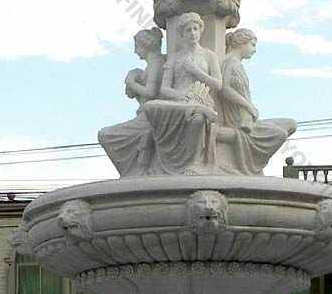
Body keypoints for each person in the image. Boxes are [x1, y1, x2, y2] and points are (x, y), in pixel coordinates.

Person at [143, 12, 221, 174]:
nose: (193, 33)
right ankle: (195, 109)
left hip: (201, 99)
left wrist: (196, 72)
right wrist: (180, 96)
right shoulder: (174, 58)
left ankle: (194, 164)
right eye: (188, 30)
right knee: (150, 106)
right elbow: (164, 89)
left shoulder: (209, 56)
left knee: (198, 120)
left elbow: (217, 85)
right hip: (177, 102)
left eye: (195, 29)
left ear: (200, 31)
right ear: (182, 35)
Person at [216, 28, 296, 175]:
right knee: (279, 134)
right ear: (241, 43)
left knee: (291, 124)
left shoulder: (237, 64)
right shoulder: (229, 62)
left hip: (248, 118)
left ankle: (253, 161)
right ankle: (254, 166)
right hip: (238, 121)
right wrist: (248, 106)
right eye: (252, 45)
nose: (254, 50)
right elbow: (225, 89)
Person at [98, 27, 165, 177]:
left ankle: (134, 171)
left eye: (137, 46)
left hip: (147, 119)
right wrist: (135, 88)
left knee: (105, 135)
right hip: (145, 115)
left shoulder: (156, 63)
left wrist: (131, 83)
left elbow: (151, 93)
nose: (135, 51)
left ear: (146, 45)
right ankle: (135, 170)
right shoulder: (153, 64)